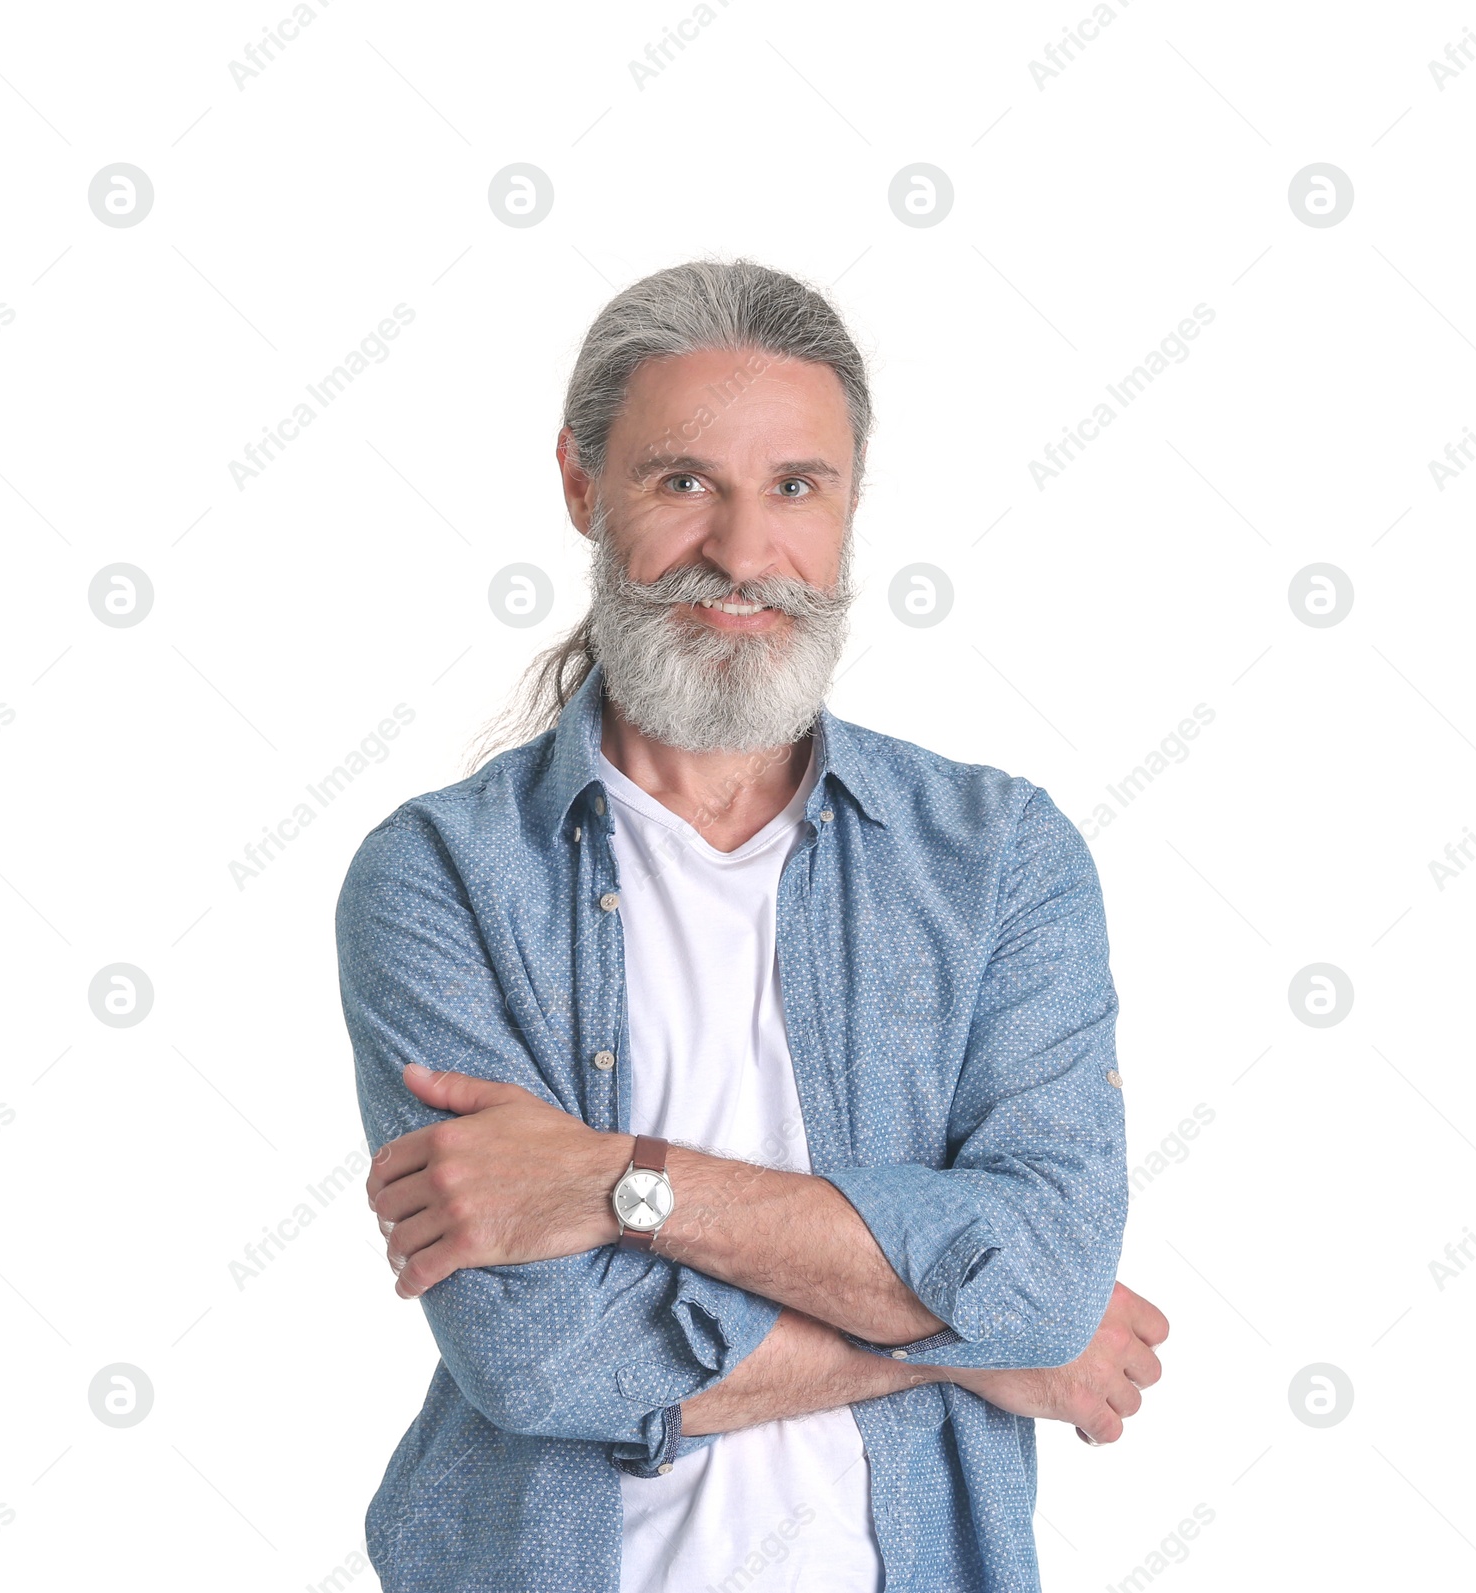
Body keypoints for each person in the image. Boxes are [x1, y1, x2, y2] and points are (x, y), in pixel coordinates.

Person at [336, 258, 1169, 1593]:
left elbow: (1053, 1272)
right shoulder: (439, 877)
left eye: (795, 487)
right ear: (580, 485)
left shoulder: (998, 858)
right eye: (683, 483)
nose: (741, 554)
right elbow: (541, 1353)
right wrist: (976, 1336)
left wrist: (619, 1183)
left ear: (848, 505)